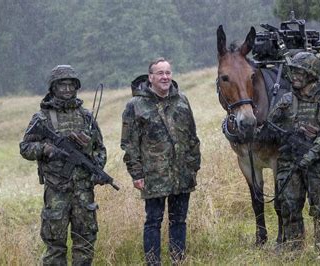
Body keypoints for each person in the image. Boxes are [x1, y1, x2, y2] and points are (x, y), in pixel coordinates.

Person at [19, 65, 107, 265]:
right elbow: (25, 148)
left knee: (85, 241)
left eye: (71, 85)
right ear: (53, 88)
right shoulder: (42, 118)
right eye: (62, 85)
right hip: (56, 190)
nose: (67, 89)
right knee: (54, 245)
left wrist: (97, 170)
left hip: (84, 191)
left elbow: (100, 148)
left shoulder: (85, 116)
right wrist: (47, 150)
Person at [121, 57, 201, 265]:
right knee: (153, 221)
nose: (165, 77)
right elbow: (129, 144)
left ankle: (178, 261)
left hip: (181, 174)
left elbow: (192, 137)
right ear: (150, 77)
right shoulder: (135, 105)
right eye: (160, 73)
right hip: (153, 175)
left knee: (179, 221)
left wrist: (193, 167)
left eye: (168, 73)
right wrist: (136, 174)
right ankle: (153, 262)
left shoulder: (182, 100)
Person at [268, 52, 320, 254]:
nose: (295, 76)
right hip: (289, 164)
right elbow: (269, 130)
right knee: (289, 207)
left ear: (311, 74)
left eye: (301, 72)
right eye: (293, 71)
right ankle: (294, 251)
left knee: (319, 210)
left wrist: (309, 155)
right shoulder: (287, 100)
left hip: (317, 165)